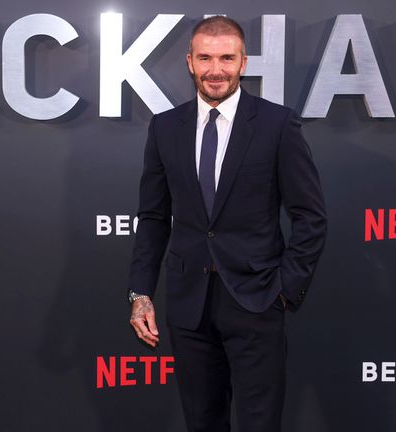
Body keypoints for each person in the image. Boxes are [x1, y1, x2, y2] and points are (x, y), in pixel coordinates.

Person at [126, 16, 327, 432]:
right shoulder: (166, 128)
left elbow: (310, 215)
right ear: (189, 62)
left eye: (226, 58)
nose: (215, 69)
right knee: (202, 423)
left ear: (243, 61)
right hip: (188, 304)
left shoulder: (277, 124)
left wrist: (285, 290)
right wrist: (141, 292)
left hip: (257, 300)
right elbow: (153, 217)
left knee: (259, 424)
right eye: (205, 57)